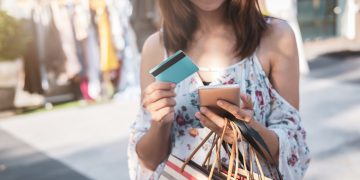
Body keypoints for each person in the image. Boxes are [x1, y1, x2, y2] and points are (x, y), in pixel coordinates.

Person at [128, 0, 310, 179]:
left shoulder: (275, 37)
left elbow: (292, 148)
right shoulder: (158, 47)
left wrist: (247, 132)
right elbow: (149, 161)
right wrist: (160, 123)